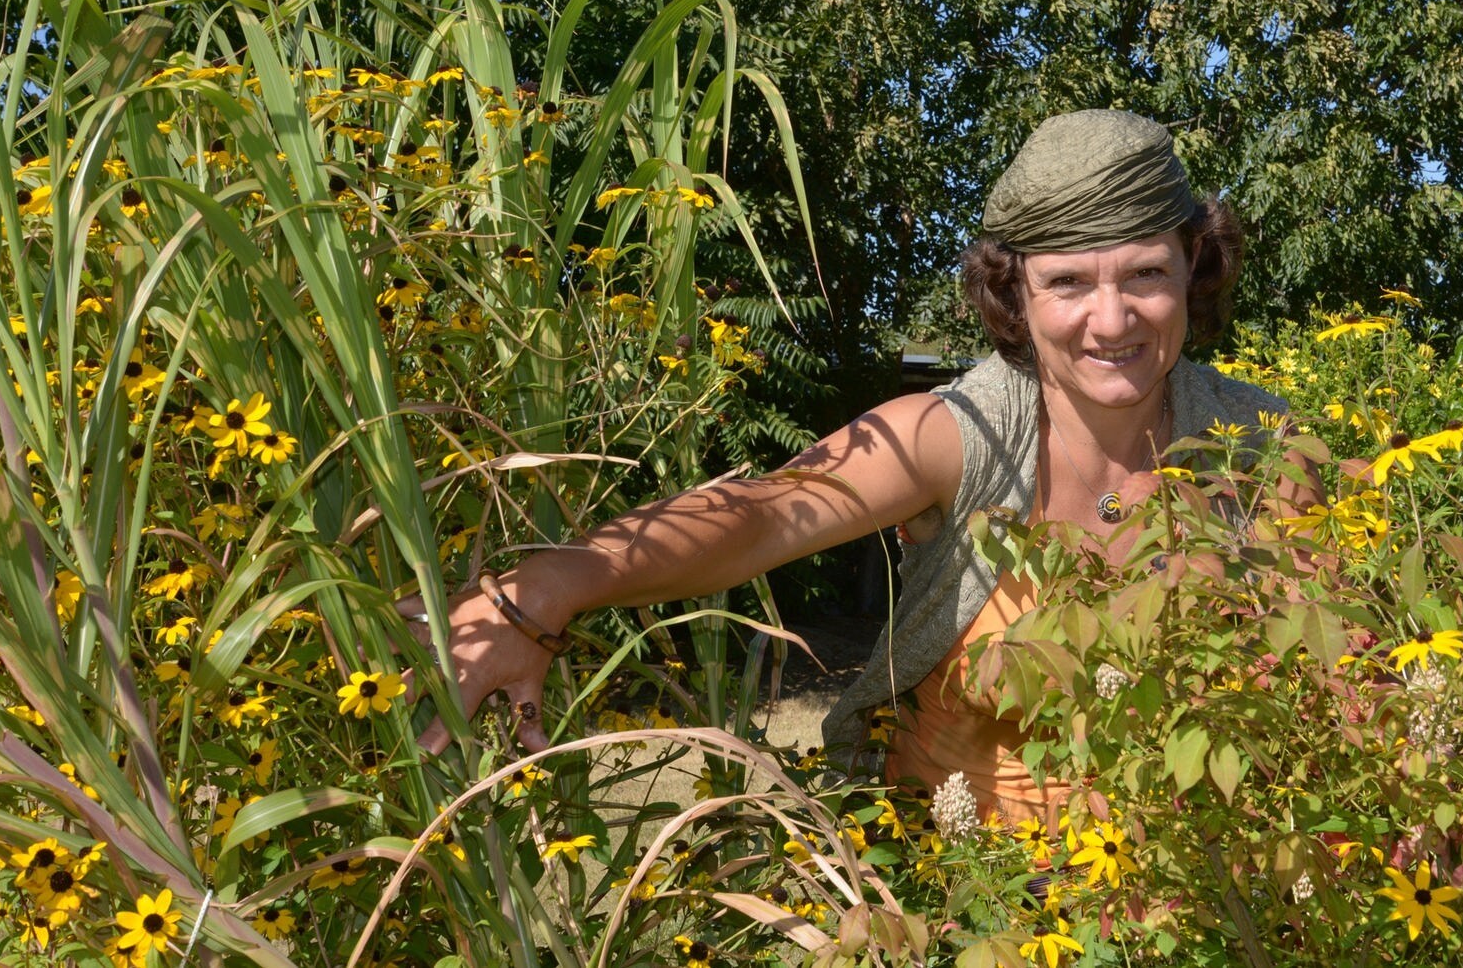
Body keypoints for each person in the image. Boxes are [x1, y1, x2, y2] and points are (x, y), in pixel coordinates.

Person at [403, 109, 1316, 820]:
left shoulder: (1262, 448)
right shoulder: (960, 436)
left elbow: (1343, 674)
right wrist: (550, 585)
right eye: (1068, 282)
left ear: (1193, 261)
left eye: (1145, 275)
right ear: (1017, 294)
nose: (1111, 321)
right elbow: (765, 513)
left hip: (1186, 908)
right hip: (954, 898)